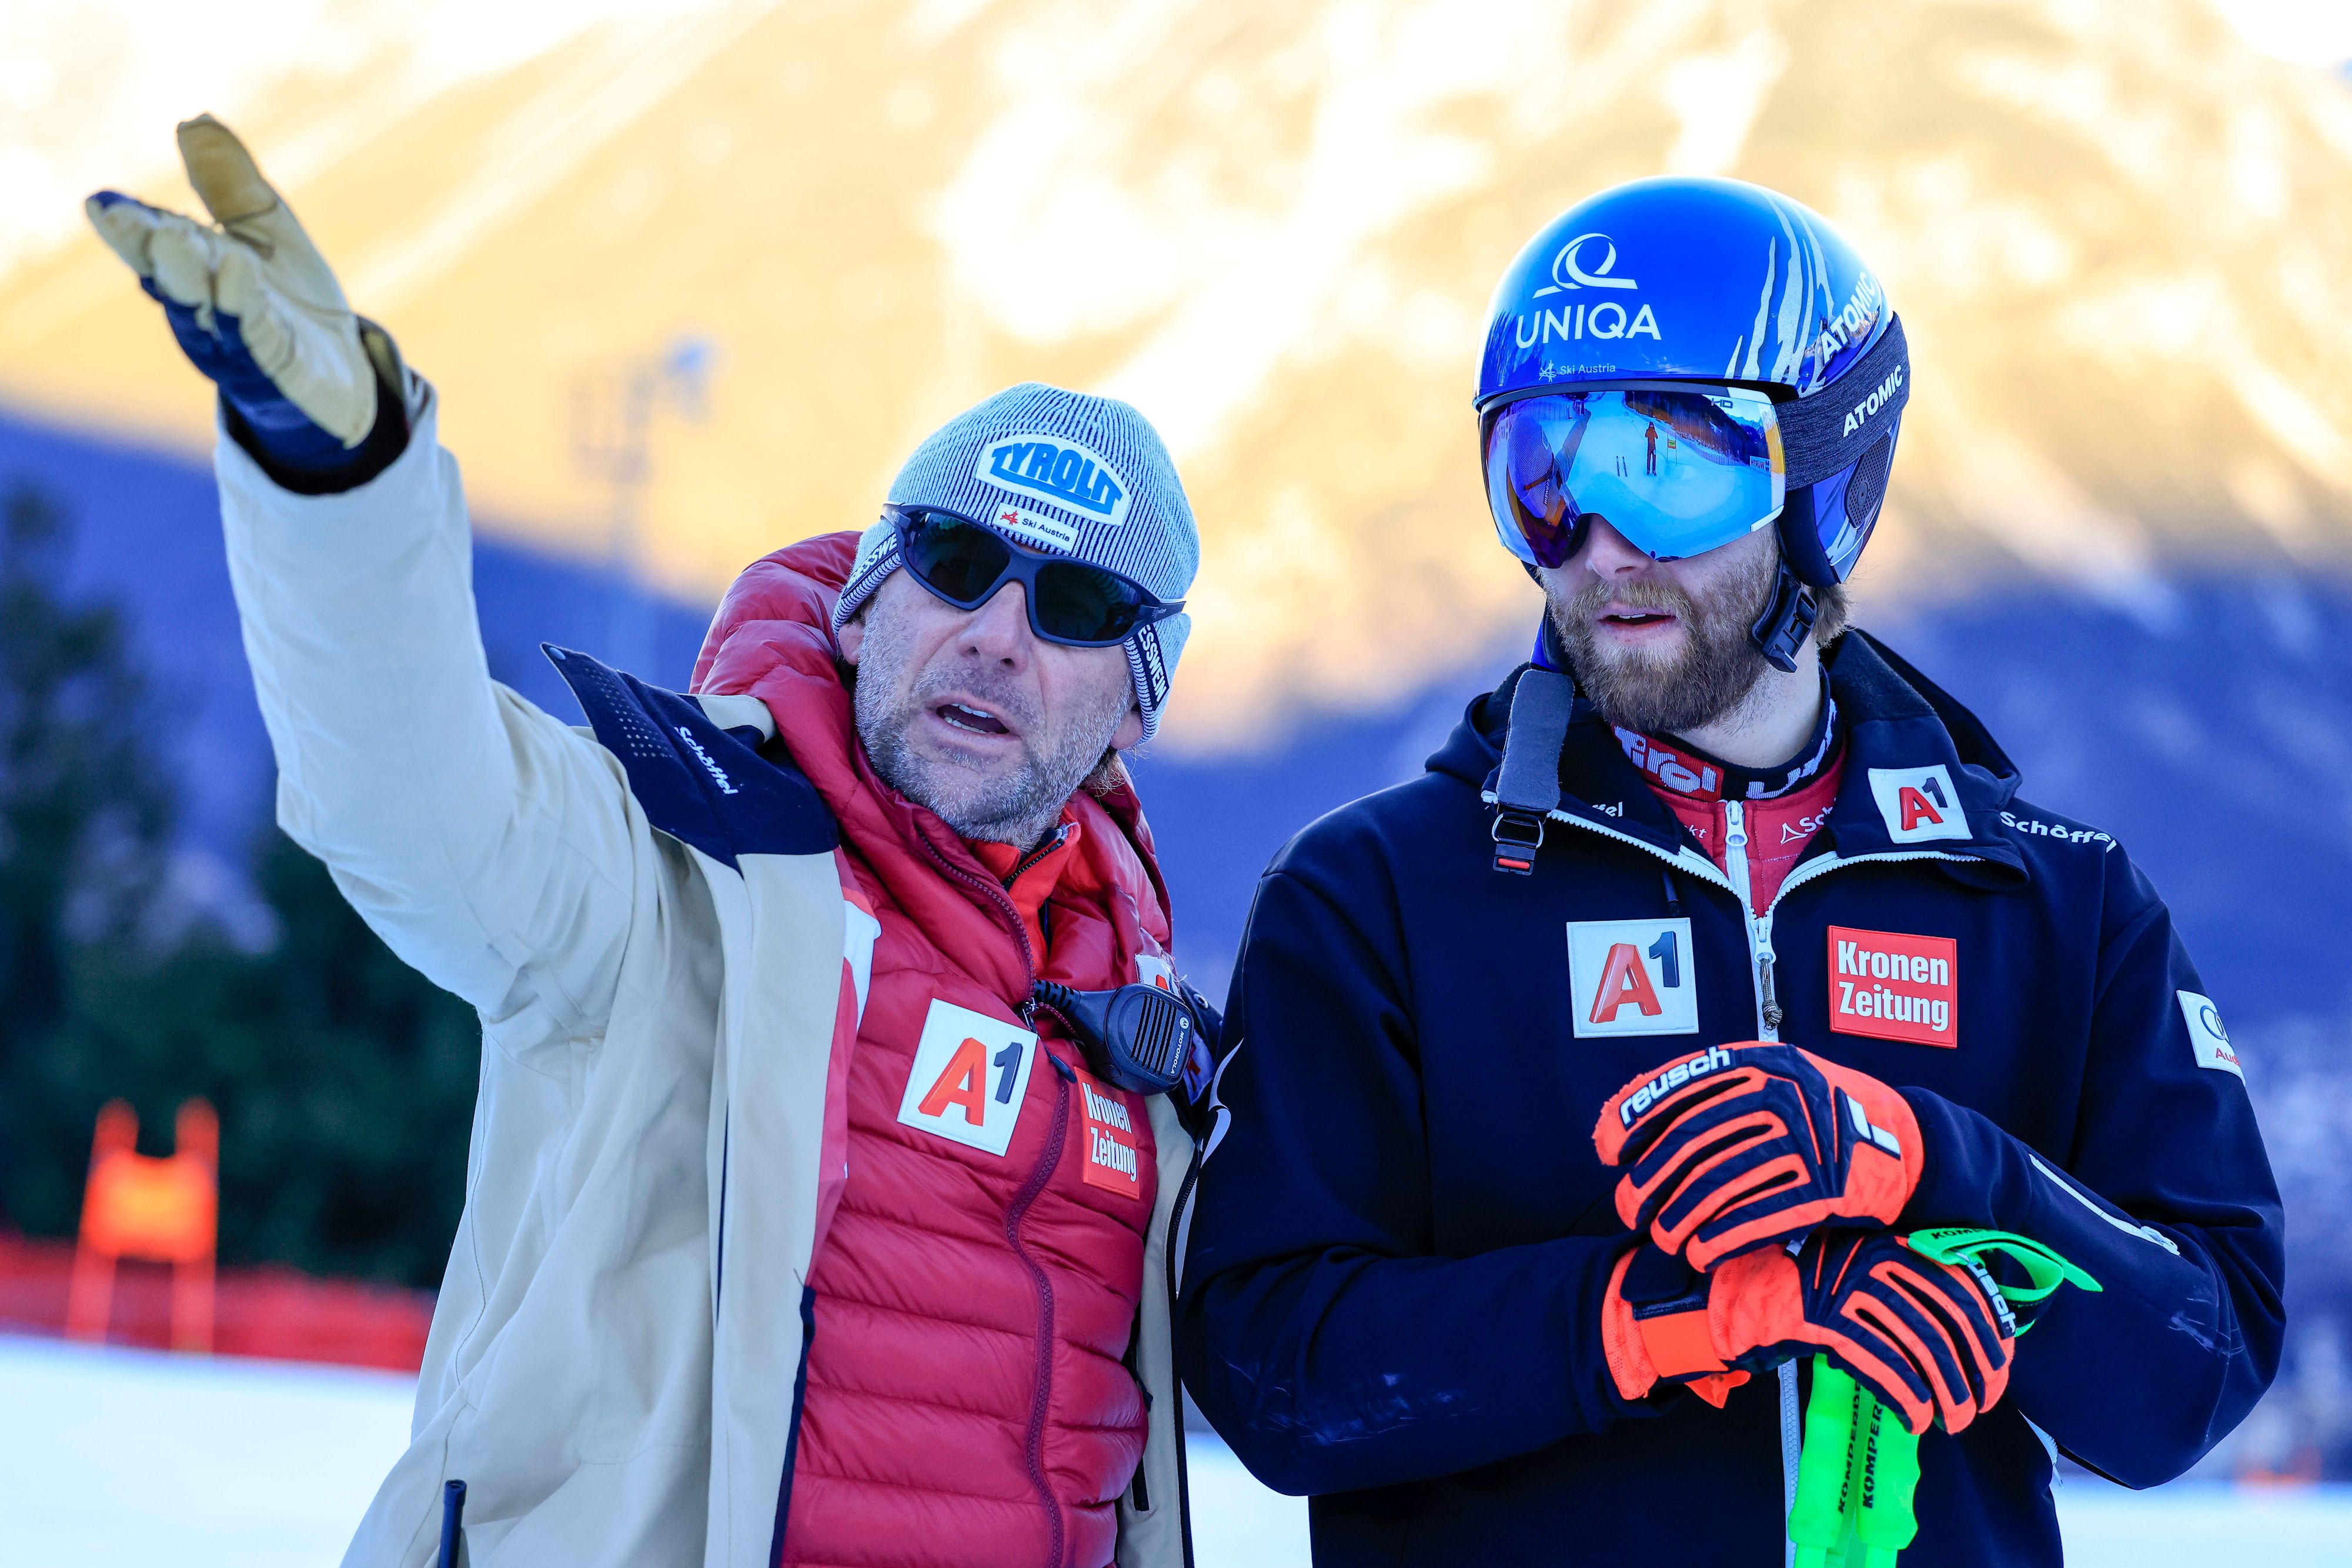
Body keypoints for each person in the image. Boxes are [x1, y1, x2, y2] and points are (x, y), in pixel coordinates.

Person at [88, 116, 1221, 1568]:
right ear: (864, 604)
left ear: (1137, 702)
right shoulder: (667, 871)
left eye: (1074, 609)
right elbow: (411, 789)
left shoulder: (1145, 1037)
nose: (996, 632)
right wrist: (344, 481)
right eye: (955, 564)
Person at [1177, 175, 2283, 1566]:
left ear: (1824, 482)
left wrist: (1942, 1166)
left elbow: (2195, 1365)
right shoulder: (1375, 894)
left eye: (1665, 469)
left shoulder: (2052, 902)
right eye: (1540, 474)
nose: (1600, 545)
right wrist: (1655, 1316)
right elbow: (1273, 1369)